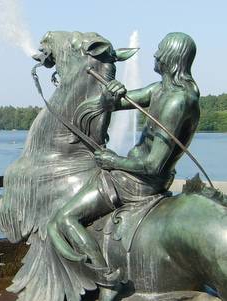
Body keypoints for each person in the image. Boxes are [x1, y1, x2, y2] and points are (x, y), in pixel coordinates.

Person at [47, 32, 200, 289]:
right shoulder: (161, 89)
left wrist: (113, 160)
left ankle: (107, 281)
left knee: (61, 221)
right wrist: (111, 94)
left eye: (160, 50)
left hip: (138, 182)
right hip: (134, 174)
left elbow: (153, 164)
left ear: (172, 58)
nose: (155, 54)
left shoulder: (177, 101)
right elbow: (117, 103)